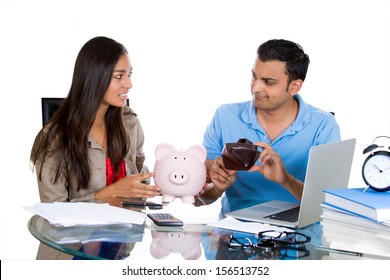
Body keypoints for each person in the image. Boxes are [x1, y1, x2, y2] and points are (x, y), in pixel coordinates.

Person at [30, 36, 160, 259]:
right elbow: (55, 213)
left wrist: (164, 184)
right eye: (119, 76)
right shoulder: (54, 137)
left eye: (129, 75)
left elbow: (139, 180)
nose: (128, 84)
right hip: (72, 251)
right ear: (94, 78)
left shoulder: (130, 123)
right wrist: (109, 194)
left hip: (121, 244)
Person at [198, 39, 340, 214]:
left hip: (299, 235)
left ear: (294, 86)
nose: (256, 88)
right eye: (254, 77)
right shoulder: (225, 116)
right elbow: (200, 199)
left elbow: (328, 203)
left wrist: (286, 180)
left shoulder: (323, 125)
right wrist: (218, 188)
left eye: (268, 81)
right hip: (236, 234)